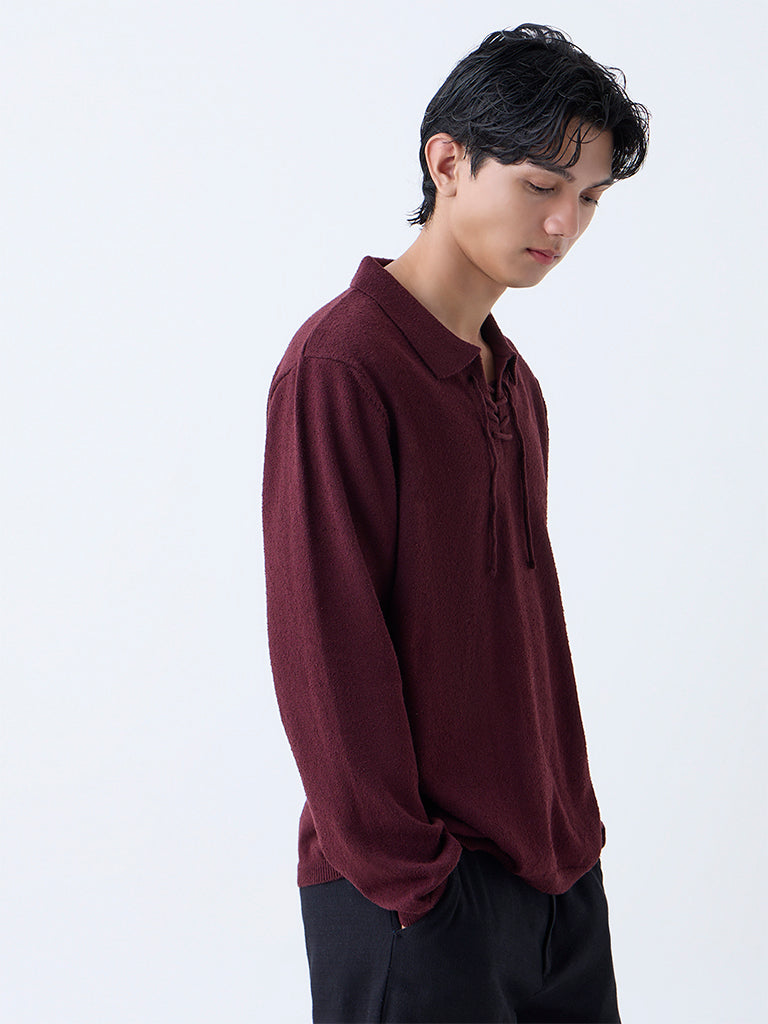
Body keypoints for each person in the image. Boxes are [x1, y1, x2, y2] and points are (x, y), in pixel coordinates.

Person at [262, 23, 649, 1024]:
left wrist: (573, 848)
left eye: (591, 198)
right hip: (418, 898)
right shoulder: (342, 366)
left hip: (557, 880)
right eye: (541, 183)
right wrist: (414, 881)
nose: (564, 223)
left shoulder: (514, 383)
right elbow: (325, 649)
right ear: (447, 161)